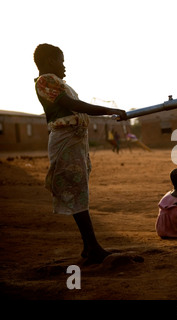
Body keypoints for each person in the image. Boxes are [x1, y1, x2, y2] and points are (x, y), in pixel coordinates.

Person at [33, 43, 127, 264]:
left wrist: (107, 112)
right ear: (49, 61)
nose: (64, 66)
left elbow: (74, 105)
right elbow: (72, 104)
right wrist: (108, 110)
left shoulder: (57, 83)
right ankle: (92, 247)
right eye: (61, 61)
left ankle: (89, 246)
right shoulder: (45, 81)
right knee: (75, 191)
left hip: (75, 141)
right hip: (65, 141)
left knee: (79, 190)